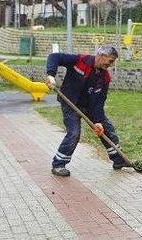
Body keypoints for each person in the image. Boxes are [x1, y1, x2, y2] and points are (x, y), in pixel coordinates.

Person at [45, 45, 127, 177]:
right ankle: (58, 164)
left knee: (106, 129)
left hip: (89, 106)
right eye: (110, 61)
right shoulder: (80, 61)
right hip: (70, 104)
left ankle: (119, 160)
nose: (110, 65)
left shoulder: (105, 77)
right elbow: (54, 57)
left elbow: (100, 101)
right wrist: (50, 75)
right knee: (74, 133)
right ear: (101, 55)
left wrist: (98, 121)